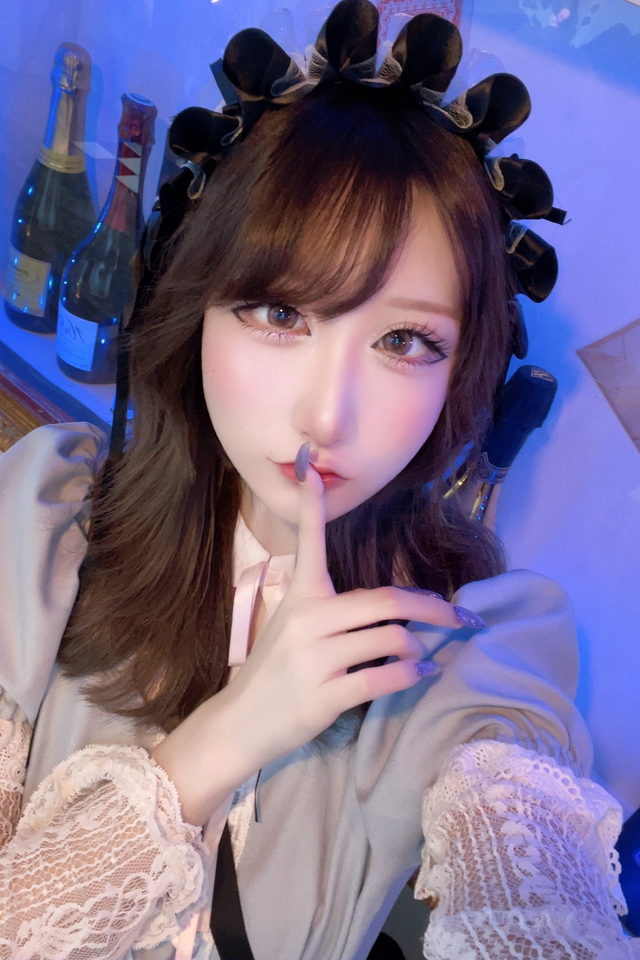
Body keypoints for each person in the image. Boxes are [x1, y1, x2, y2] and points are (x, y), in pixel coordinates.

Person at [0, 2, 637, 958]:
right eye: (278, 313)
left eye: (404, 341)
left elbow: (534, 889)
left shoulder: (469, 642)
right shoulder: (41, 528)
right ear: (192, 303)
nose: (327, 416)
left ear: (462, 373)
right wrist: (236, 730)